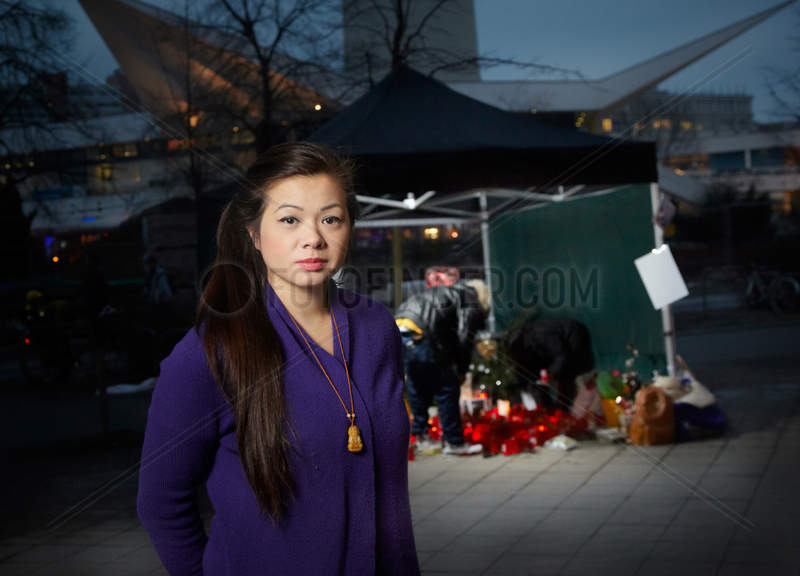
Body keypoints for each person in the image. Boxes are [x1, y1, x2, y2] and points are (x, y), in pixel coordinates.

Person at [137, 142, 419, 575]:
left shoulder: (377, 327)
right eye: (290, 219)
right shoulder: (209, 353)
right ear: (253, 233)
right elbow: (160, 503)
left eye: (331, 218)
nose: (314, 238)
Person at [394, 279, 489, 455]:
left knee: (417, 386)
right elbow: (464, 338)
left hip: (401, 328)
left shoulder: (448, 293)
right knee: (446, 389)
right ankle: (454, 443)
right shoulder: (470, 299)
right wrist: (461, 370)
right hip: (424, 333)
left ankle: (421, 436)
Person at [506, 318, 594, 410]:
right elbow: (533, 380)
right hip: (554, 350)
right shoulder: (524, 357)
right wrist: (542, 408)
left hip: (574, 337)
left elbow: (562, 354)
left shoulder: (541, 335)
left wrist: (553, 372)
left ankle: (564, 408)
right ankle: (550, 409)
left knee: (567, 374)